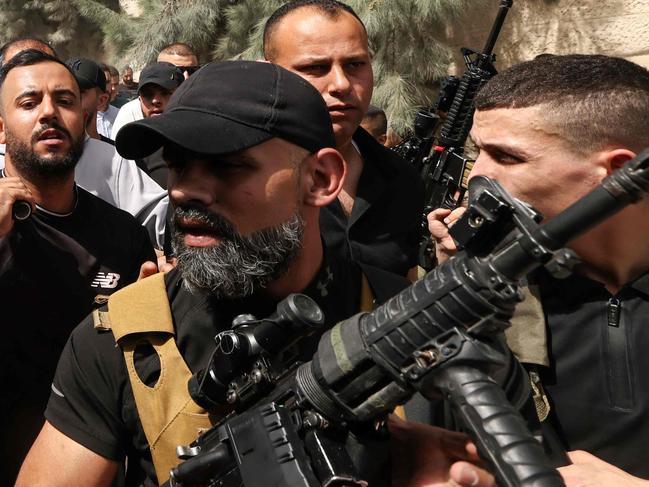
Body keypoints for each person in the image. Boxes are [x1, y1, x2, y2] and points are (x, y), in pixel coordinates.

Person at [17, 60, 482, 487]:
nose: (186, 191)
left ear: (320, 179)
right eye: (178, 165)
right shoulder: (119, 338)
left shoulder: (424, 328)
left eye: (227, 165)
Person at [428, 53, 649, 485]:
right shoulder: (506, 297)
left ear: (618, 173)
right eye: (477, 153)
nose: (478, 177)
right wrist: (457, 301)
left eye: (506, 157)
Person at [0, 49, 156, 485]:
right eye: (29, 103)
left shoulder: (124, 234)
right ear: (0, 127)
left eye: (65, 101)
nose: (50, 112)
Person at [263, 0, 424, 279]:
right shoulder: (233, 180)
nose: (341, 84)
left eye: (355, 64)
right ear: (268, 73)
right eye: (315, 67)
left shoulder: (401, 179)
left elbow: (406, 282)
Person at [67, 58, 112, 144]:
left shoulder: (116, 155)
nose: (67, 99)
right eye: (61, 93)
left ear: (101, 101)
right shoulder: (45, 154)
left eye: (79, 92)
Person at [96, 63, 120, 139]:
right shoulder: (83, 120)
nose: (112, 88)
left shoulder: (119, 114)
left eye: (108, 82)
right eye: (104, 82)